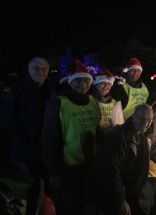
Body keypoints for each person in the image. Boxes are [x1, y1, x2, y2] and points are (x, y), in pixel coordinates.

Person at [86, 104, 156, 215]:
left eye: (149, 119)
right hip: (109, 191)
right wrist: (121, 200)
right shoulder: (120, 136)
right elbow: (112, 171)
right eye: (142, 118)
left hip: (129, 189)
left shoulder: (144, 136)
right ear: (133, 117)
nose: (146, 122)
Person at [42, 60, 101, 215]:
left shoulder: (93, 102)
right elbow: (50, 140)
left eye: (87, 81)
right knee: (69, 208)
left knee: (86, 205)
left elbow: (97, 132)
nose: (83, 85)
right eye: (78, 81)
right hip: (67, 170)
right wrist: (54, 172)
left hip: (89, 166)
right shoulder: (59, 103)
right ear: (70, 82)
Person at [2, 56, 52, 215]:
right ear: (29, 70)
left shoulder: (51, 89)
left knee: (47, 190)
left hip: (46, 150)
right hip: (25, 152)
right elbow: (7, 120)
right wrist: (23, 140)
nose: (41, 72)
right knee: (29, 191)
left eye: (44, 69)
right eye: (37, 68)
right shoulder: (18, 90)